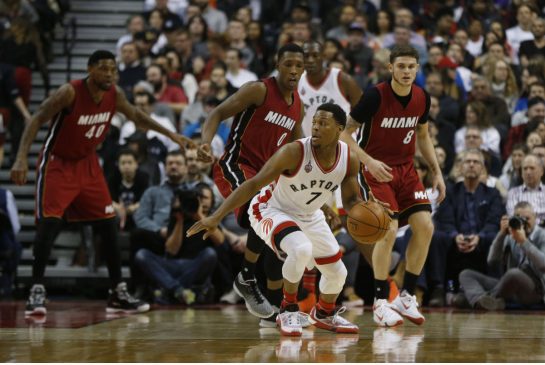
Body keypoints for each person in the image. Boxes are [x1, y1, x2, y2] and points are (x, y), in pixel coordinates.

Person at [10, 50, 192, 316]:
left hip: (88, 163)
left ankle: (118, 291)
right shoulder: (69, 92)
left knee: (108, 224)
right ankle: (37, 289)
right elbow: (37, 118)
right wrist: (21, 157)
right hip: (58, 163)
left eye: (113, 69)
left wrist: (172, 134)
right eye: (104, 68)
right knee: (49, 224)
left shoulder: (114, 94)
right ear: (90, 68)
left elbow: (137, 117)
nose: (109, 74)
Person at [188, 103, 361, 336]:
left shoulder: (349, 159)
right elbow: (253, 183)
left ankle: (324, 313)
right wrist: (216, 216)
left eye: (323, 123)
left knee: (337, 272)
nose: (316, 128)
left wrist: (366, 208)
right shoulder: (294, 152)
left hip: (309, 215)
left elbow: (351, 200)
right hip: (271, 208)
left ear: (339, 129)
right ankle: (287, 308)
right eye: (314, 123)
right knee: (300, 249)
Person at [340, 44, 446, 327]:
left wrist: (437, 173)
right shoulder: (374, 95)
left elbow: (423, 136)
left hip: (407, 169)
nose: (407, 71)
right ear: (391, 68)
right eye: (401, 66)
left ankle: (406, 295)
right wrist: (368, 161)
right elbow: (346, 133)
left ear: (418, 69)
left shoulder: (422, 98)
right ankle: (380, 301)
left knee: (426, 226)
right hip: (376, 169)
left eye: (411, 66)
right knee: (386, 229)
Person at [197, 43, 305, 319]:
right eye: (288, 64)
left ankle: (275, 308)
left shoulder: (298, 107)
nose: (293, 71)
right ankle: (245, 277)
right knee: (261, 207)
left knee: (274, 237)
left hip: (266, 176)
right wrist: (206, 142)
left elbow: (300, 151)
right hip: (235, 165)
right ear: (277, 65)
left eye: (298, 66)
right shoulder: (258, 90)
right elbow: (217, 113)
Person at [456, 201, 545, 310]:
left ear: (535, 217)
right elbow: (491, 261)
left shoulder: (542, 235)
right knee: (466, 274)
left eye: (527, 218)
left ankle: (476, 300)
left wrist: (523, 242)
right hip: (508, 287)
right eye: (519, 219)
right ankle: (482, 301)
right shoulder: (511, 236)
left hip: (536, 290)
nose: (523, 223)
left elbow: (543, 265)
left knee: (514, 274)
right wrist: (501, 234)